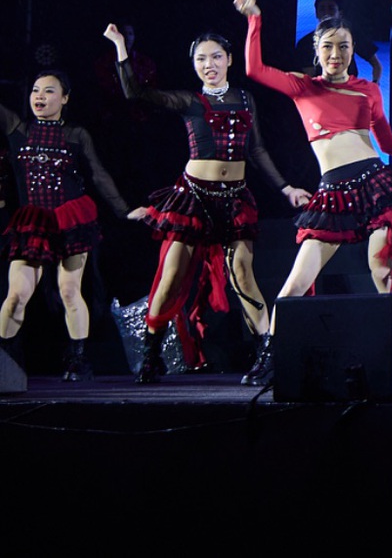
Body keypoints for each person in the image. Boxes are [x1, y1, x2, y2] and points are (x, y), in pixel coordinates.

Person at [234, 0, 392, 362]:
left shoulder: (367, 90)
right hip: (332, 195)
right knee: (296, 284)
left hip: (374, 186)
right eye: (328, 46)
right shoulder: (303, 87)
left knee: (380, 268)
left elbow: (388, 142)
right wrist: (254, 20)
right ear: (316, 51)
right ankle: (269, 359)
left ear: (353, 50)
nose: (336, 54)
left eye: (344, 46)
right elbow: (255, 69)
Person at [107, 24, 311, 384]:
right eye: (201, 59)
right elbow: (135, 93)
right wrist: (121, 47)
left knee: (242, 273)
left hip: (234, 200)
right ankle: (152, 353)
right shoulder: (189, 101)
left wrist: (285, 188)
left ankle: (268, 352)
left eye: (216, 57)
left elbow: (257, 149)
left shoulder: (245, 99)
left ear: (229, 59)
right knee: (171, 278)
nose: (209, 64)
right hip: (193, 199)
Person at [0, 71, 139, 381]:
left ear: (64, 98)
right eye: (35, 90)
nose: (39, 96)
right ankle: (4, 358)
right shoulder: (18, 128)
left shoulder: (76, 134)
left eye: (49, 91)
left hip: (69, 221)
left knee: (69, 290)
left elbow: (98, 174)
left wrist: (124, 210)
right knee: (17, 294)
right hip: (33, 222)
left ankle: (78, 358)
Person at [294, 0, 381, 84]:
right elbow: (310, 78)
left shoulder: (352, 36)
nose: (326, 13)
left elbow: (376, 65)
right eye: (322, 9)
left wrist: (375, 84)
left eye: (331, 8)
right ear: (316, 13)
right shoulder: (306, 43)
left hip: (350, 90)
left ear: (340, 13)